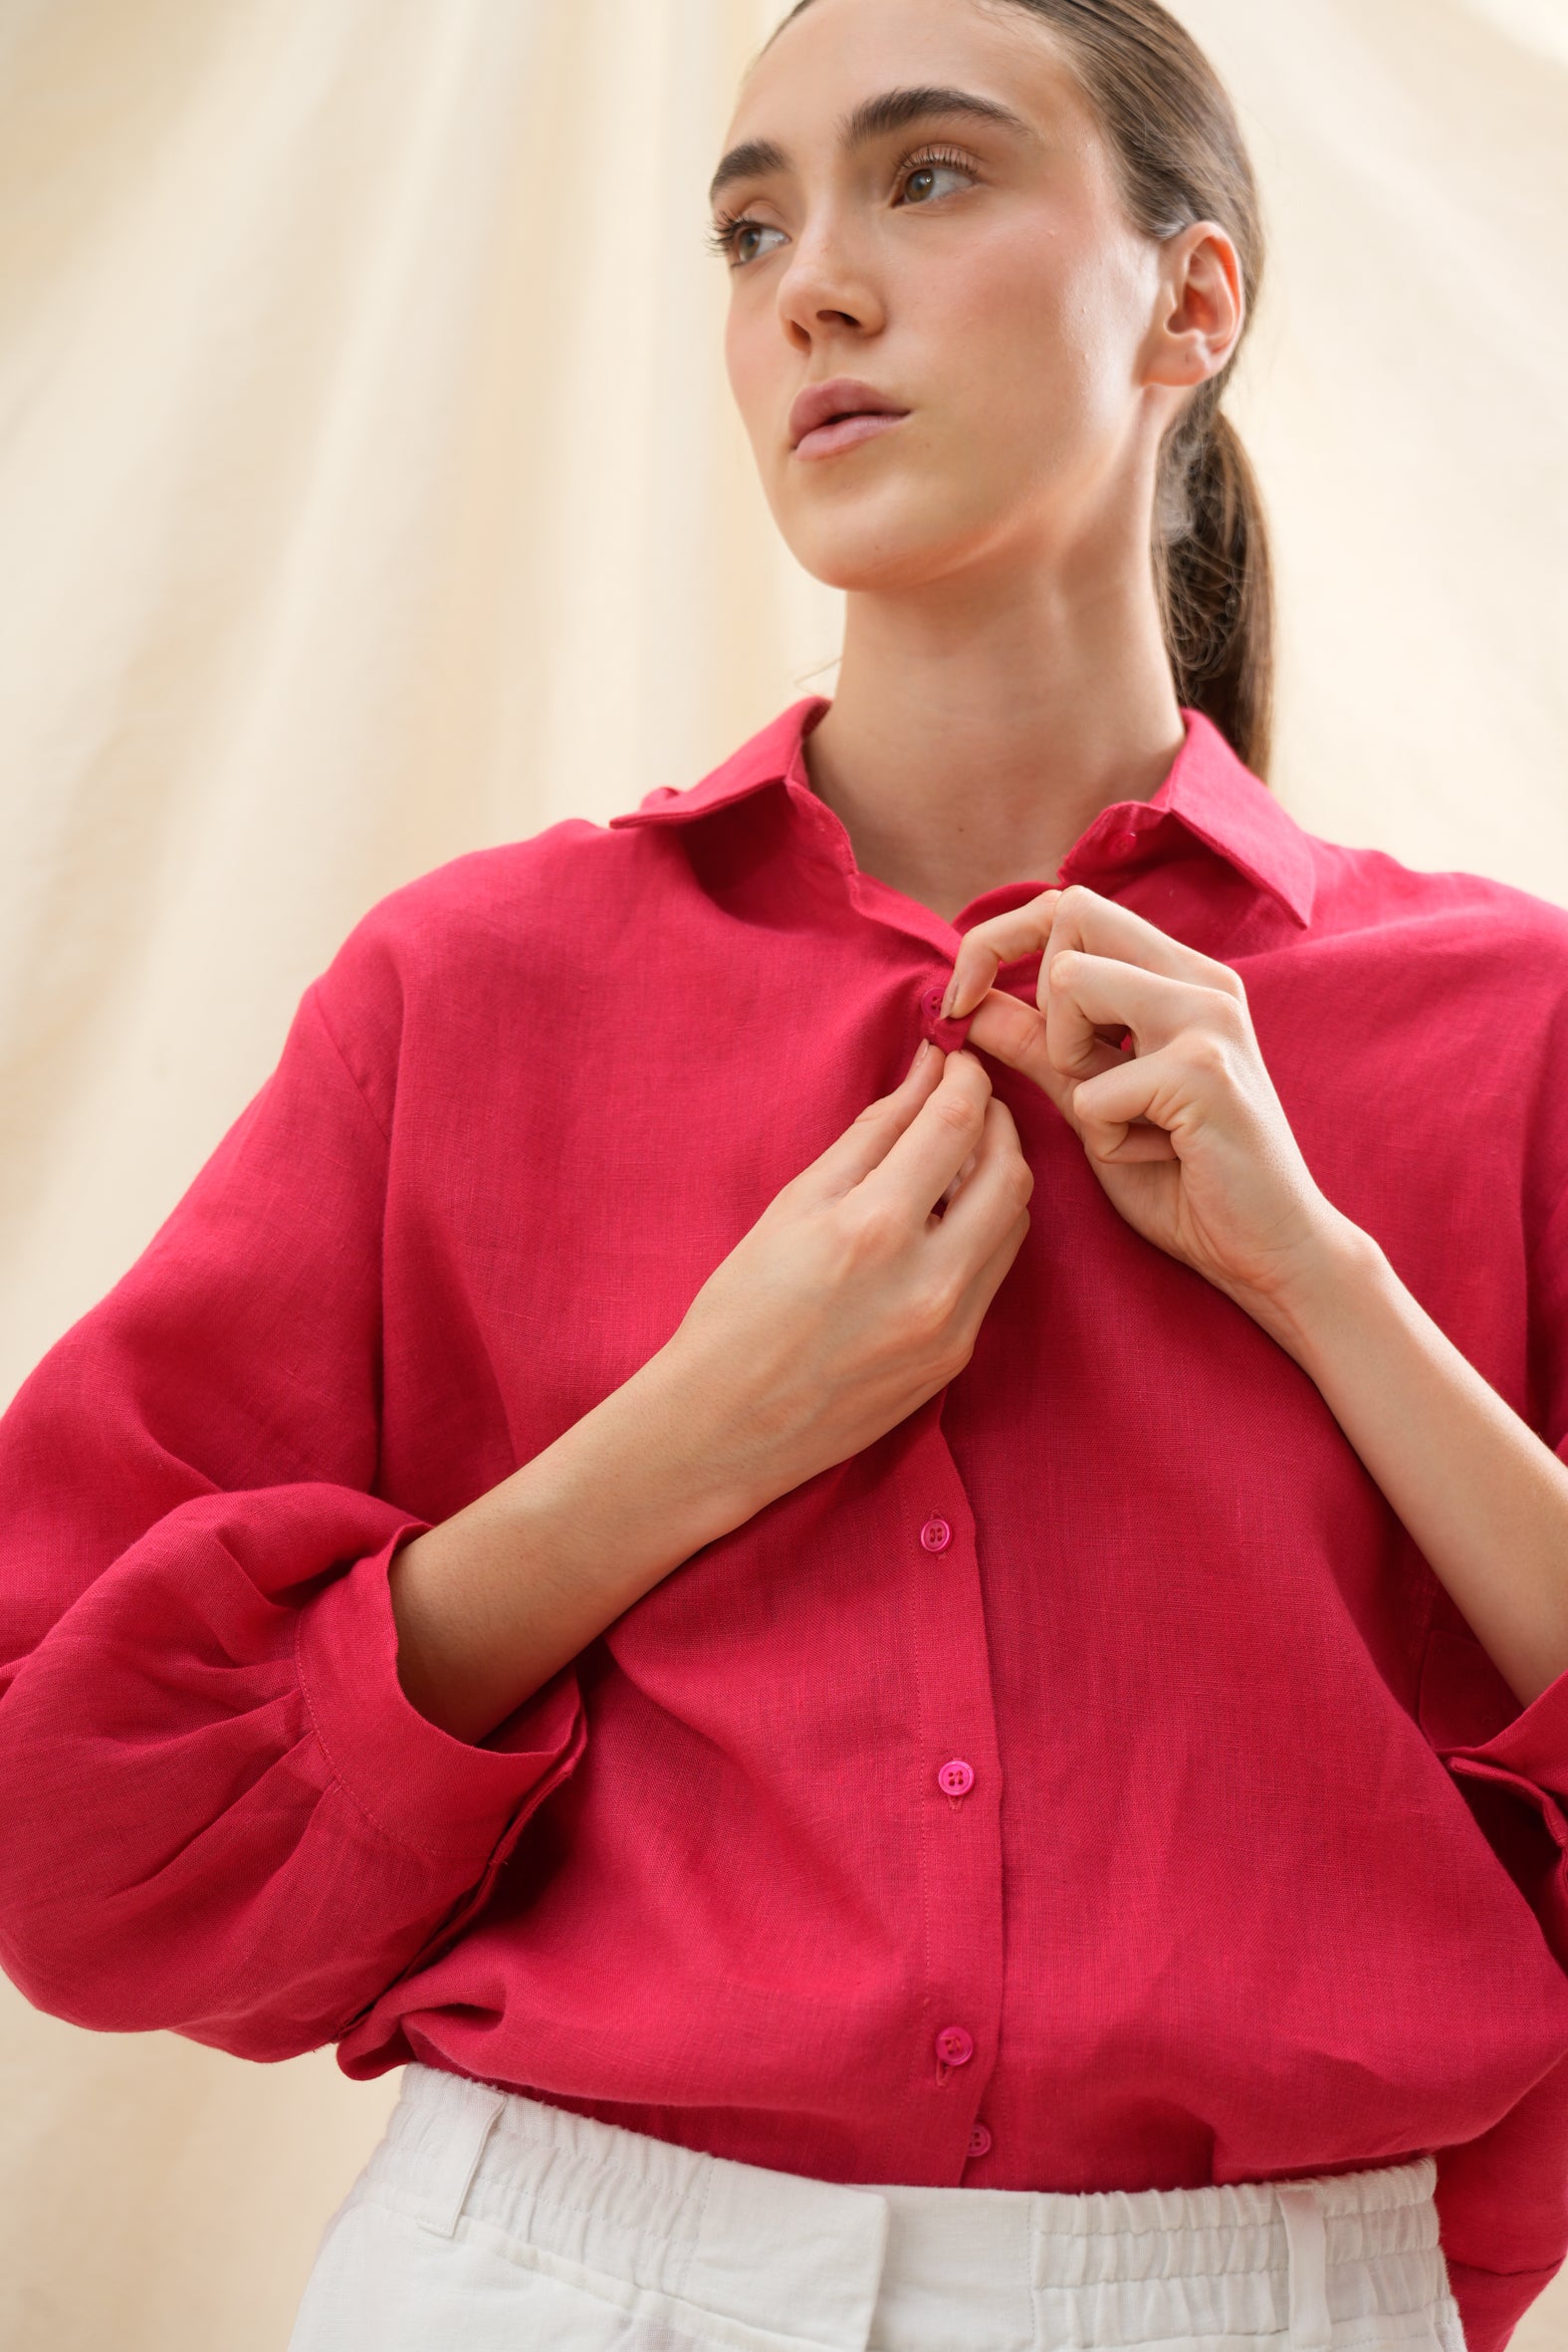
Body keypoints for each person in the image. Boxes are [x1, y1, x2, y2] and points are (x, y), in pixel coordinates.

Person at [3, 0, 1568, 2344]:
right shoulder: (469, 993)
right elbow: (72, 1819)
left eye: (924, 176)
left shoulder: (1505, 1027)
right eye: (748, 229)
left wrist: (1324, 1278)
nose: (811, 285)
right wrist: (684, 1440)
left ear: (1189, 298)